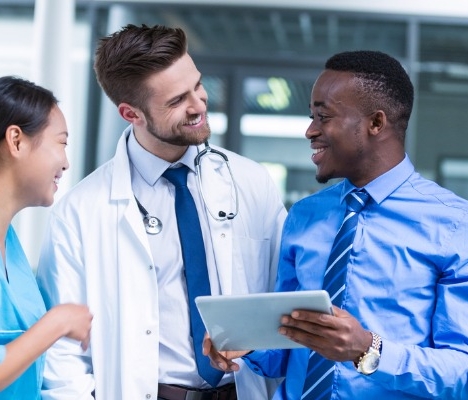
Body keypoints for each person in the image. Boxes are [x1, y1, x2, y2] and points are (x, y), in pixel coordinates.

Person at [204, 50, 468, 399]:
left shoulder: (457, 224)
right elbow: (285, 348)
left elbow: (467, 374)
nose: (310, 130)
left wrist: (367, 349)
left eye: (323, 116)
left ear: (375, 124)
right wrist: (244, 345)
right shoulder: (303, 215)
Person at [35, 24, 287, 400]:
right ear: (130, 113)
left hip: (244, 391)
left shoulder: (252, 183)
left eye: (198, 86)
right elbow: (62, 359)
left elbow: (283, 299)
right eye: (176, 101)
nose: (199, 104)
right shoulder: (80, 213)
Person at [0, 76, 93, 399]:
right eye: (61, 143)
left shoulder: (10, 244)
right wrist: (58, 322)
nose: (66, 162)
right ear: (16, 140)